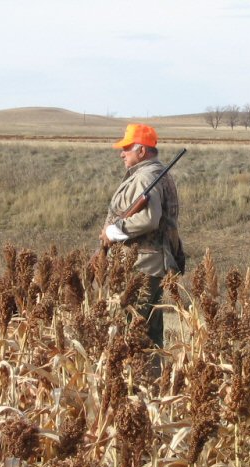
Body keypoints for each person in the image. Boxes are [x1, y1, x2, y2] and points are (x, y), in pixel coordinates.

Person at [99, 123, 182, 347]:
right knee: (149, 338)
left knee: (129, 334)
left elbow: (149, 219)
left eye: (127, 148)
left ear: (142, 150)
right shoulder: (155, 174)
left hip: (142, 265)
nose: (122, 153)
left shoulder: (146, 177)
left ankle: (134, 371)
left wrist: (112, 232)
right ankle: (153, 370)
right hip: (151, 265)